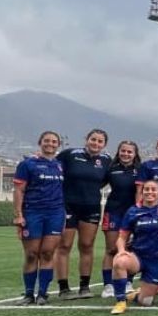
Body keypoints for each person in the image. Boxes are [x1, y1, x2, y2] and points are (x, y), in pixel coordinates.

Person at [54, 128, 111, 299]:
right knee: (64, 246)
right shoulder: (69, 154)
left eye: (100, 141)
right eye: (93, 139)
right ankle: (64, 288)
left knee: (86, 246)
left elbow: (106, 181)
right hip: (68, 206)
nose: (96, 143)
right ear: (86, 139)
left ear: (104, 144)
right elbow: (52, 166)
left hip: (91, 207)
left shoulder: (106, 160)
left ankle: (84, 287)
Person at [12, 131, 65, 305]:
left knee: (48, 253)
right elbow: (19, 190)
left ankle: (43, 293)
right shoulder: (27, 164)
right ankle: (28, 294)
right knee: (31, 254)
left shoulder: (60, 165)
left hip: (55, 213)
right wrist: (18, 215)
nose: (50, 144)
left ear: (58, 145)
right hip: (33, 212)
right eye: (47, 140)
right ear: (40, 142)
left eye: (54, 141)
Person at [109, 180, 158, 314]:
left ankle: (135, 295)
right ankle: (120, 301)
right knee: (119, 262)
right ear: (142, 193)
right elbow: (122, 236)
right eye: (146, 189)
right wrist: (121, 251)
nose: (149, 192)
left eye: (153, 189)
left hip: (157, 259)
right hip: (138, 256)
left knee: (146, 302)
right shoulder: (133, 211)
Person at [101, 140, 140, 299]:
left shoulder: (140, 170)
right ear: (119, 152)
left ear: (135, 154)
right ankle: (108, 285)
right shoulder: (111, 168)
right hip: (113, 211)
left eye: (130, 152)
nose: (126, 154)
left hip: (132, 214)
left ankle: (128, 281)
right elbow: (94, 183)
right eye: (123, 151)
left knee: (129, 249)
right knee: (111, 249)